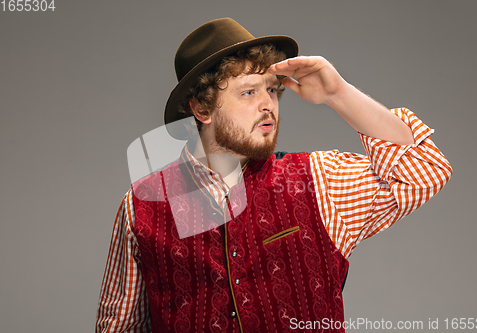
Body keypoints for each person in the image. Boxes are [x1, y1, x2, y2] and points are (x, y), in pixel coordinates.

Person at [96, 18, 452, 333]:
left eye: (271, 89)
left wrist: (337, 93)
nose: (267, 104)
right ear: (202, 108)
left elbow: (425, 168)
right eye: (249, 92)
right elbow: (118, 326)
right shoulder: (141, 206)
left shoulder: (320, 181)